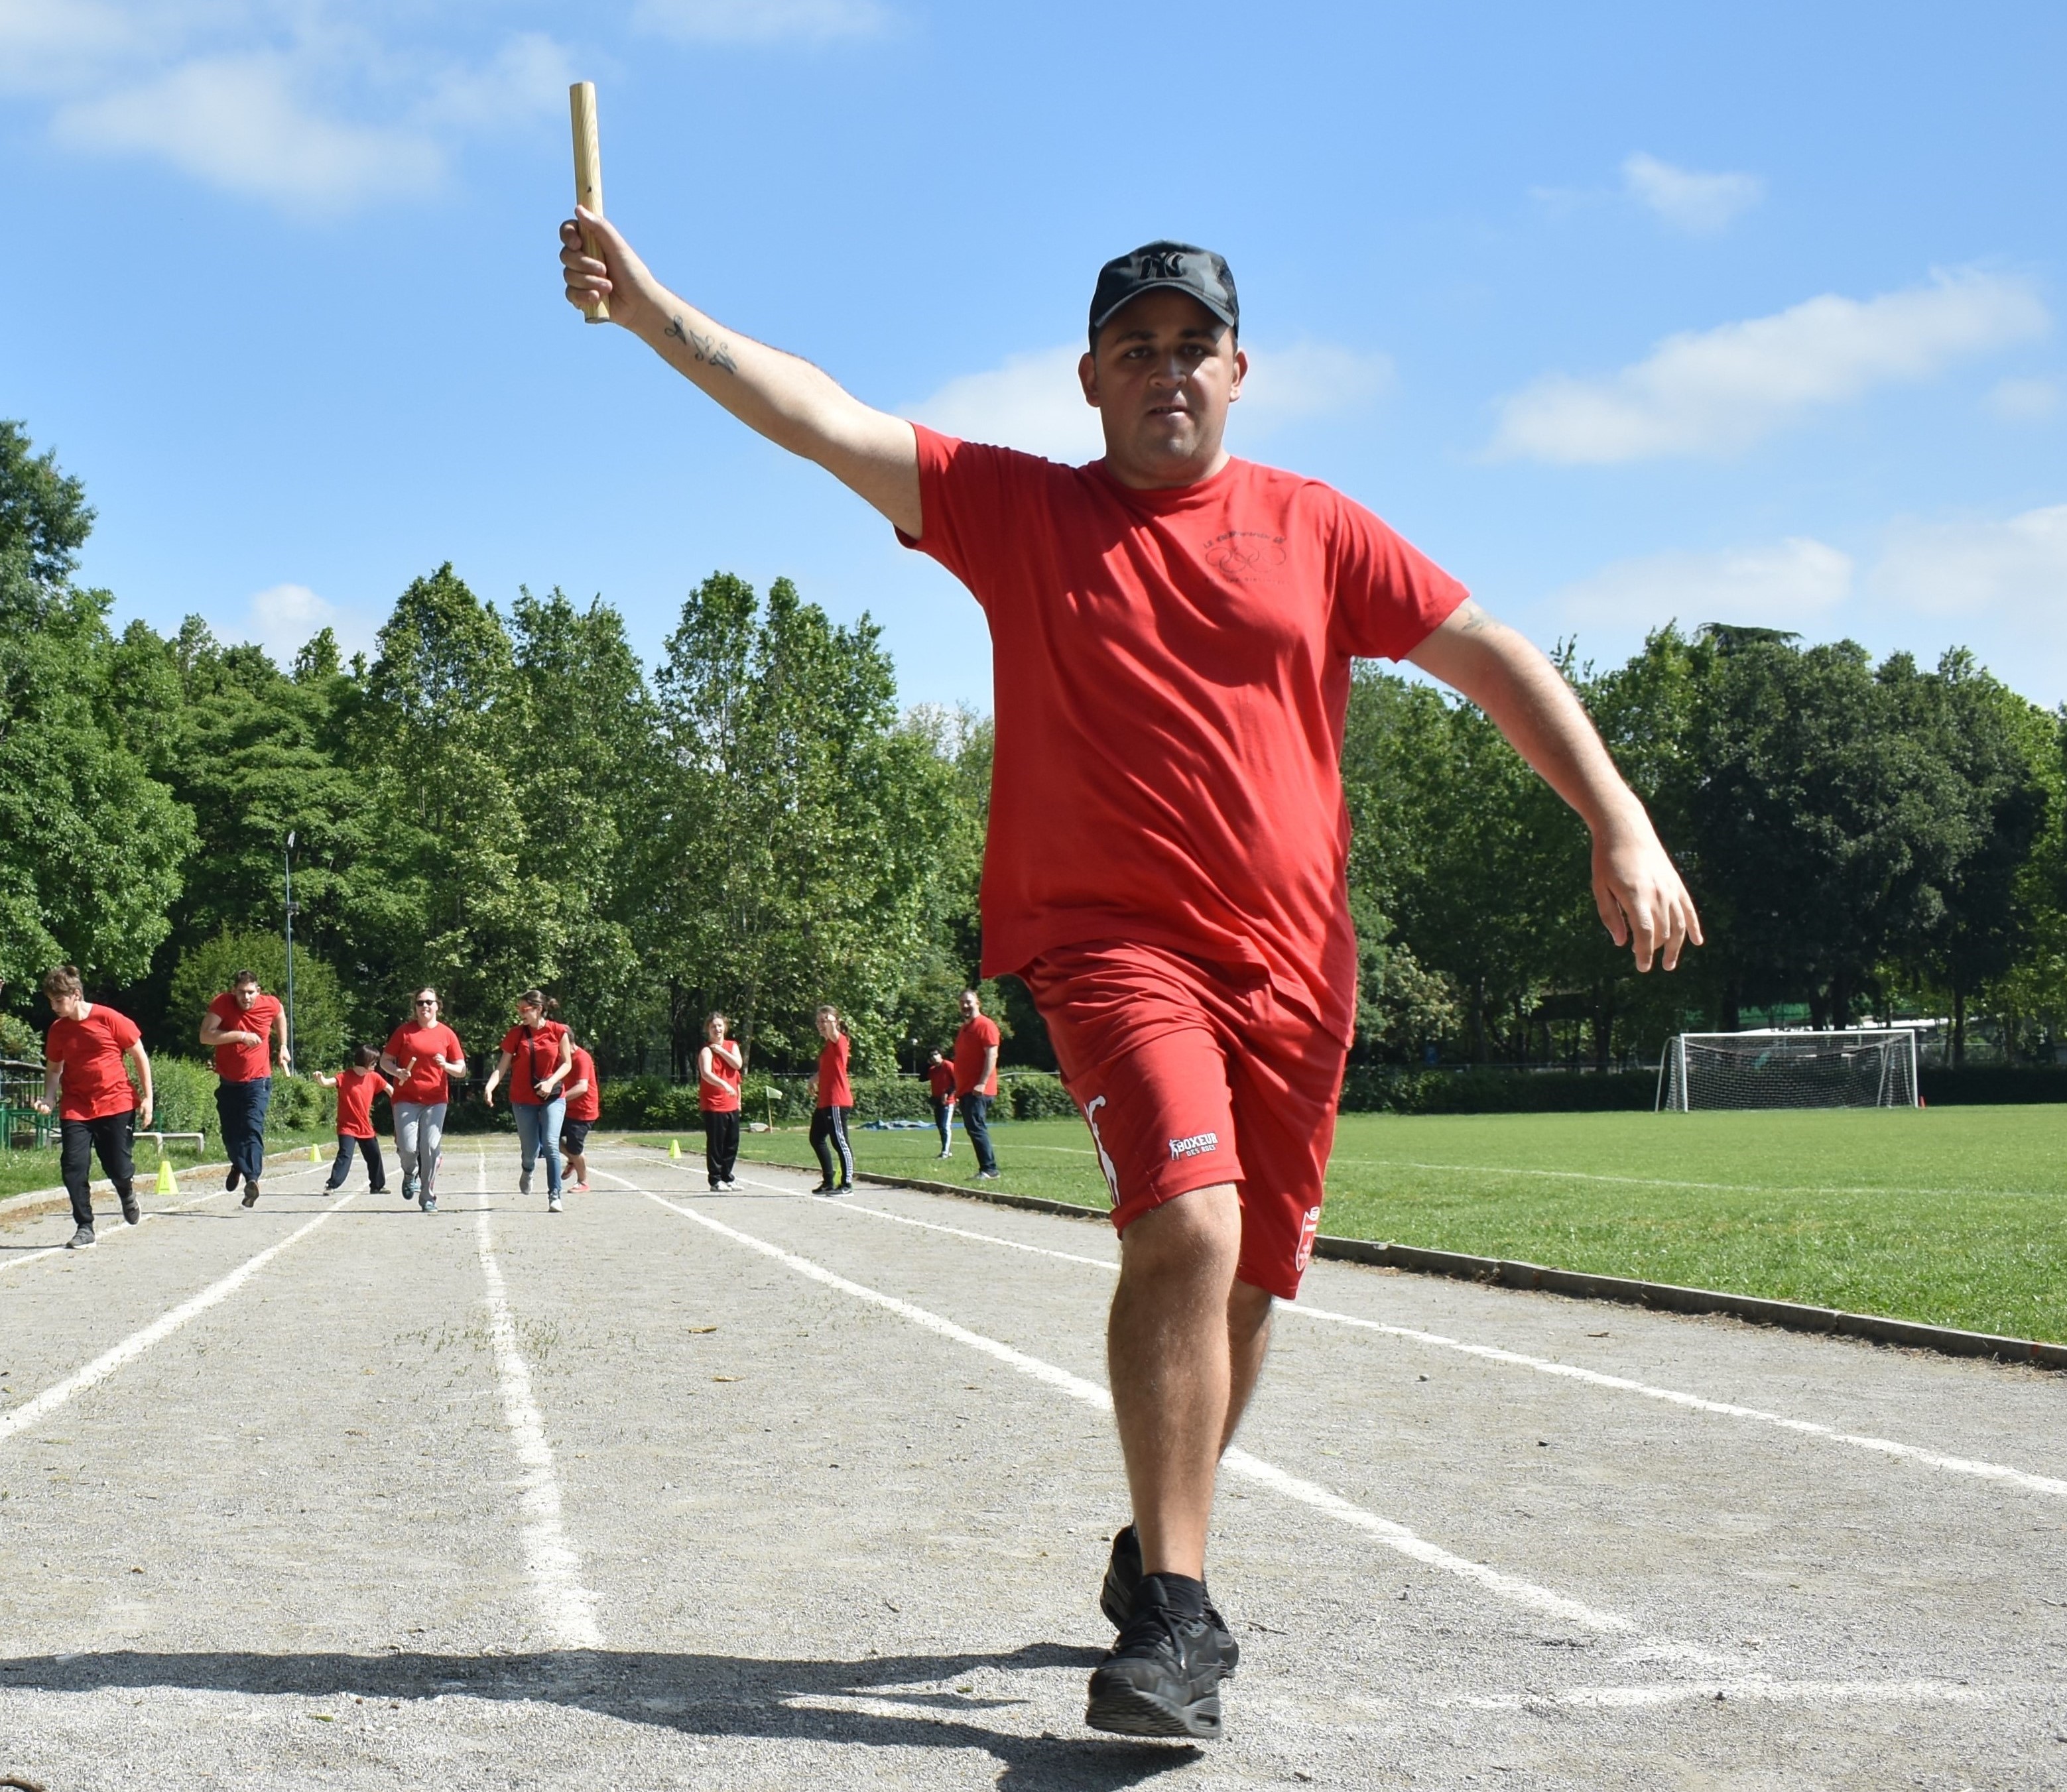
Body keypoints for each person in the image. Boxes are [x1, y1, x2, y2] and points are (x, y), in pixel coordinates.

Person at [557, 221, 1700, 1740]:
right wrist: (649, 313)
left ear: (1238, 372)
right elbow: (818, 415)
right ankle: (1175, 1617)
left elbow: (1487, 654)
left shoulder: (1319, 529)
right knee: (1184, 1224)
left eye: (1192, 347)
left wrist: (1615, 818)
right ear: (1089, 379)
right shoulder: (1021, 511)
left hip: (1299, 969)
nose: (1167, 371)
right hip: (1109, 949)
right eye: (1136, 349)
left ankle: (1158, 1540)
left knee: (1250, 1278)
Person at [35, 965, 152, 1249]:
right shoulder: (58, 1030)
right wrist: (49, 1097)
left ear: (75, 995)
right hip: (77, 1107)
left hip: (116, 1102)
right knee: (73, 1166)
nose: (53, 1006)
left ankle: (126, 1191)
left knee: (118, 1165)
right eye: (50, 1000)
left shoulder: (108, 1018)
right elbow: (53, 1068)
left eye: (58, 1000)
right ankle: (84, 1226)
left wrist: (148, 1098)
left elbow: (139, 1054)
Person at [198, 969, 288, 1210]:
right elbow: (205, 1036)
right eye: (241, 993)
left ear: (258, 991)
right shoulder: (222, 1003)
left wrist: (283, 1046)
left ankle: (252, 1179)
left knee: (252, 1128)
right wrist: (241, 1035)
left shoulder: (270, 1003)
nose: (246, 998)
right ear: (233, 991)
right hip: (229, 1082)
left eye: (250, 993)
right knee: (230, 1135)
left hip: (258, 1082)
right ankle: (238, 1163)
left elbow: (280, 1014)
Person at [483, 990, 573, 1213]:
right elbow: (502, 1067)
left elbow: (567, 1064)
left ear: (539, 1009)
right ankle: (528, 1168)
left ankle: (555, 1195)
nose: (521, 1013)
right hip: (523, 1098)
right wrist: (490, 1087)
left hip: (553, 1096)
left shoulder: (558, 1031)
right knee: (530, 1148)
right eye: (519, 1009)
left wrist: (551, 1082)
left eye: (525, 1009)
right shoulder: (516, 1034)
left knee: (551, 1143)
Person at [381, 987, 466, 1214]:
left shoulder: (447, 1034)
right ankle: (410, 1173)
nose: (425, 1006)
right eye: (420, 1003)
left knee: (430, 1147)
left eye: (429, 1002)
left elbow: (461, 1070)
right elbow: (385, 1061)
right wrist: (398, 1071)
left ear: (438, 1005)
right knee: (408, 1148)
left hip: (436, 1099)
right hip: (406, 1099)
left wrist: (445, 1065)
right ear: (415, 1007)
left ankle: (428, 1198)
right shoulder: (404, 1032)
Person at [315, 1046, 391, 1194]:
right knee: (345, 1155)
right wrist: (320, 1078)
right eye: (374, 1062)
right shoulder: (345, 1077)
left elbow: (390, 1089)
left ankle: (377, 1186)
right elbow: (326, 1083)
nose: (376, 1066)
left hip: (365, 1127)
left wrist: (402, 1103)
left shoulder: (374, 1077)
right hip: (347, 1127)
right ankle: (332, 1185)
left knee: (374, 1155)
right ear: (365, 1061)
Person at [952, 989, 1002, 1181]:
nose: (965, 1006)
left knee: (976, 1127)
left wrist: (982, 1083)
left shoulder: (985, 1025)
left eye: (969, 1002)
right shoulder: (965, 1028)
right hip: (966, 1089)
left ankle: (990, 1169)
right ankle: (986, 1168)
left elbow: (992, 1055)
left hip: (979, 1089)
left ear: (978, 1003)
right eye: (962, 1003)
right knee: (973, 1127)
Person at [806, 1004, 853, 1197]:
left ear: (835, 1021)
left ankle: (847, 1184)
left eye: (824, 1020)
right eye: (818, 1021)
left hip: (837, 1100)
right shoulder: (827, 1047)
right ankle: (828, 1180)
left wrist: (832, 1023)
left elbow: (834, 1032)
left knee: (840, 1141)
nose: (821, 1025)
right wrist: (813, 1079)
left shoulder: (839, 1040)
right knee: (816, 1138)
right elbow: (828, 1069)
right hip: (824, 1101)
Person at [697, 1012, 745, 1192]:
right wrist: (724, 1084)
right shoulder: (706, 1050)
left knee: (732, 1142)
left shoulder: (732, 1046)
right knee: (716, 1143)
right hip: (714, 1103)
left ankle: (728, 1176)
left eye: (719, 1026)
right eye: (713, 1027)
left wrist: (722, 1051)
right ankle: (715, 1180)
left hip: (731, 1103)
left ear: (725, 1027)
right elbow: (706, 1074)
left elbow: (737, 1065)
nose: (717, 1029)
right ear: (708, 1030)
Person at [560, 1036, 600, 1193]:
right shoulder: (563, 1058)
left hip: (583, 1111)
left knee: (575, 1148)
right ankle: (572, 1160)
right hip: (566, 1109)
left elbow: (582, 1087)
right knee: (546, 1135)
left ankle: (583, 1182)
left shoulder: (582, 1058)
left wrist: (559, 1098)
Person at [925, 1048, 956, 1158]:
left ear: (941, 1055)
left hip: (947, 1101)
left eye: (936, 1054)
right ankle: (948, 1150)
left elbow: (957, 1081)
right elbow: (925, 1078)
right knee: (940, 1126)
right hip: (938, 1100)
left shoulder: (948, 1065)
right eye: (931, 1055)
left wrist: (948, 1093)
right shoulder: (933, 1070)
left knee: (945, 1126)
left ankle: (945, 1152)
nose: (934, 1057)